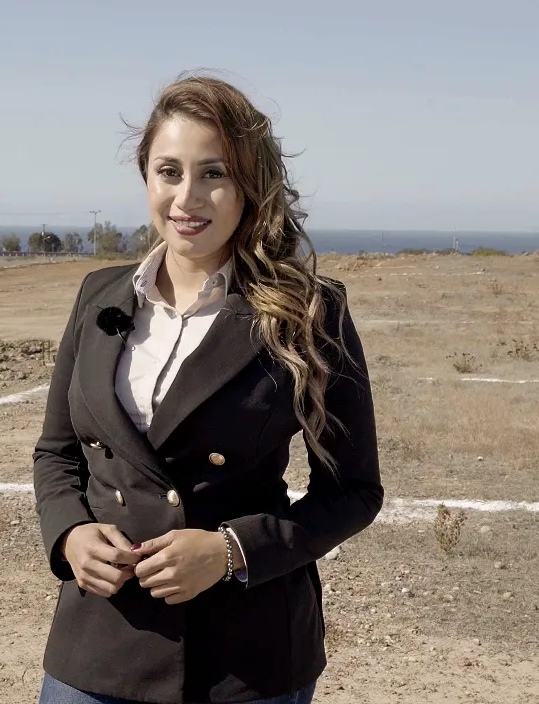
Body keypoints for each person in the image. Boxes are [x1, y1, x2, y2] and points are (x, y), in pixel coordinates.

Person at [32, 71, 383, 704]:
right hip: (100, 647)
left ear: (250, 185)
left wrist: (229, 551)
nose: (187, 197)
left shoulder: (308, 313)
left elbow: (354, 490)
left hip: (244, 661)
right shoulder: (98, 297)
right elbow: (56, 454)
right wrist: (69, 535)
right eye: (169, 171)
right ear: (146, 178)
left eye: (213, 173)